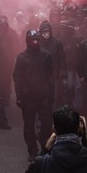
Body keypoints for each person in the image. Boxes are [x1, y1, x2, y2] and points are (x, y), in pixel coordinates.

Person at [13, 30, 54, 161]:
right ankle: (32, 150)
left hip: (44, 96)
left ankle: (45, 148)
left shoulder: (46, 55)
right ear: (27, 41)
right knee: (29, 125)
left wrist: (51, 94)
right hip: (28, 97)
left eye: (37, 39)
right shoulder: (21, 57)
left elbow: (50, 76)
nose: (35, 41)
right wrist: (19, 96)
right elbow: (17, 77)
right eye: (32, 39)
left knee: (47, 125)